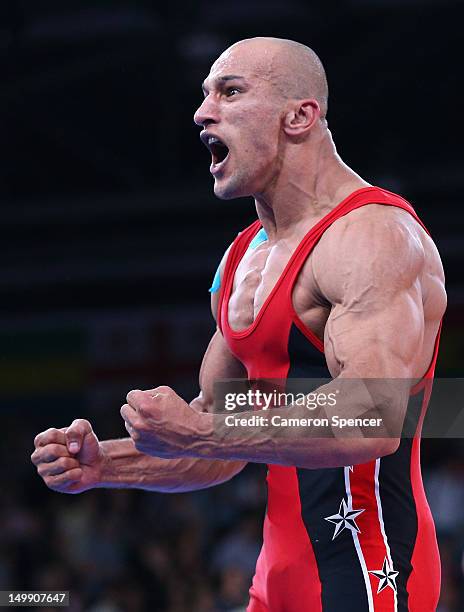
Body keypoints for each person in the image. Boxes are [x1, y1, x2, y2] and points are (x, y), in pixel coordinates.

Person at [31, 37, 447, 611]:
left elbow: (373, 418)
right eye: (204, 96)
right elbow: (218, 437)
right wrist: (109, 465)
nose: (203, 112)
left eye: (230, 92)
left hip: (369, 567)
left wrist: (204, 431)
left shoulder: (371, 236)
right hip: (275, 576)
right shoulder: (242, 256)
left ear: (300, 116)